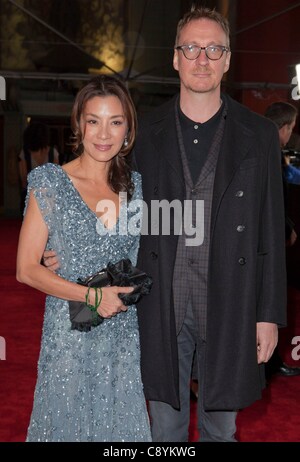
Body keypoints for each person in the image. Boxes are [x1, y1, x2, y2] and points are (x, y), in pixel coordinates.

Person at [44, 7, 287, 442]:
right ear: (175, 58)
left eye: (214, 49)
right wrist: (64, 247)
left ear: (228, 59)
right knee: (165, 431)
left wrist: (267, 316)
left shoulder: (260, 134)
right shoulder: (143, 131)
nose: (202, 59)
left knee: (222, 428)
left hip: (231, 301)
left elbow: (270, 231)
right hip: (158, 303)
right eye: (191, 48)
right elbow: (108, 201)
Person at [16, 75, 151, 442]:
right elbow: (25, 269)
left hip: (121, 338)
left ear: (128, 130)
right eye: (94, 121)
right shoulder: (49, 181)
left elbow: (144, 259)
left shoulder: (137, 187)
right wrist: (92, 296)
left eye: (115, 122)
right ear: (79, 125)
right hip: (69, 337)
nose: (103, 133)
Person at [264, 101, 300, 379]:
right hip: (268, 243)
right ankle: (269, 364)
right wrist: (286, 230)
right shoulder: (271, 154)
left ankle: (270, 362)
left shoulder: (260, 149)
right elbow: (275, 203)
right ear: (285, 127)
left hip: (261, 240)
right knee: (271, 303)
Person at [18, 122, 60, 214]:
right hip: (48, 197)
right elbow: (56, 177)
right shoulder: (53, 152)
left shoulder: (25, 153)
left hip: (31, 195)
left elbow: (23, 178)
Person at [264, 102, 300, 186]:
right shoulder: (273, 153)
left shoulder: (263, 146)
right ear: (284, 128)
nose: (291, 132)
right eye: (291, 128)